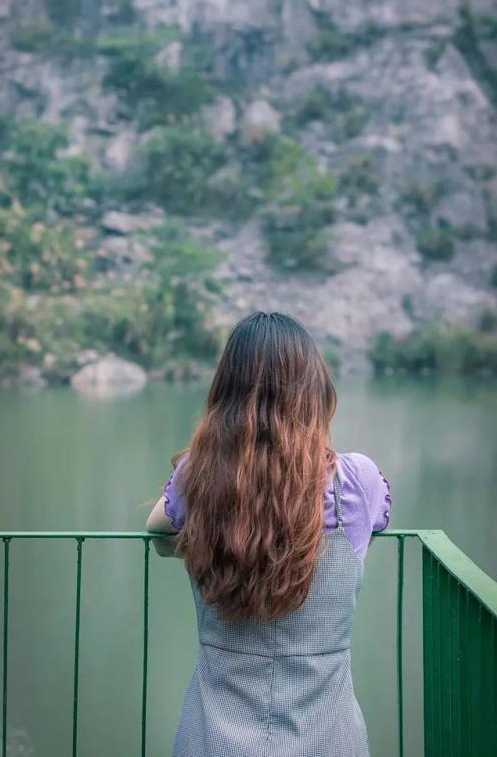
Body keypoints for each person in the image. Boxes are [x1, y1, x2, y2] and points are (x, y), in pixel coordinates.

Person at [146, 311, 391, 757]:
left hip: (213, 740)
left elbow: (158, 531)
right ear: (315, 390)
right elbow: (367, 534)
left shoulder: (197, 477)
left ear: (225, 392)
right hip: (329, 739)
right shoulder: (357, 481)